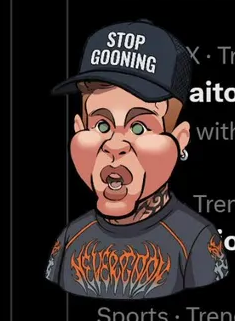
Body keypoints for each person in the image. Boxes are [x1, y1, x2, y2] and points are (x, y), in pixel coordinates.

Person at [46, 21, 228, 299]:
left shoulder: (196, 241)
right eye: (101, 125)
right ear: (78, 128)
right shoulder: (70, 240)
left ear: (179, 139)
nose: (115, 145)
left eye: (139, 127)